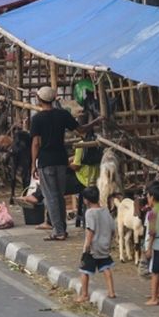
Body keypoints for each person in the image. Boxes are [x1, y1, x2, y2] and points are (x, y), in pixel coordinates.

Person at [31, 86, 100, 241]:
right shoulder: (62, 115)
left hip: (46, 161)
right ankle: (61, 228)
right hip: (61, 160)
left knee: (51, 196)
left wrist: (33, 164)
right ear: (54, 99)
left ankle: (59, 231)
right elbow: (81, 130)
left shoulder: (37, 119)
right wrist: (97, 120)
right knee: (59, 195)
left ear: (39, 99)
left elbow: (36, 143)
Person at [78, 186, 116, 301]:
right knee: (106, 267)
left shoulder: (90, 213)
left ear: (86, 200)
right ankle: (111, 291)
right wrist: (110, 240)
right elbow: (112, 227)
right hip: (104, 245)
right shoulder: (105, 210)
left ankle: (84, 294)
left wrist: (87, 246)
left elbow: (90, 230)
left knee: (84, 270)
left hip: (93, 247)